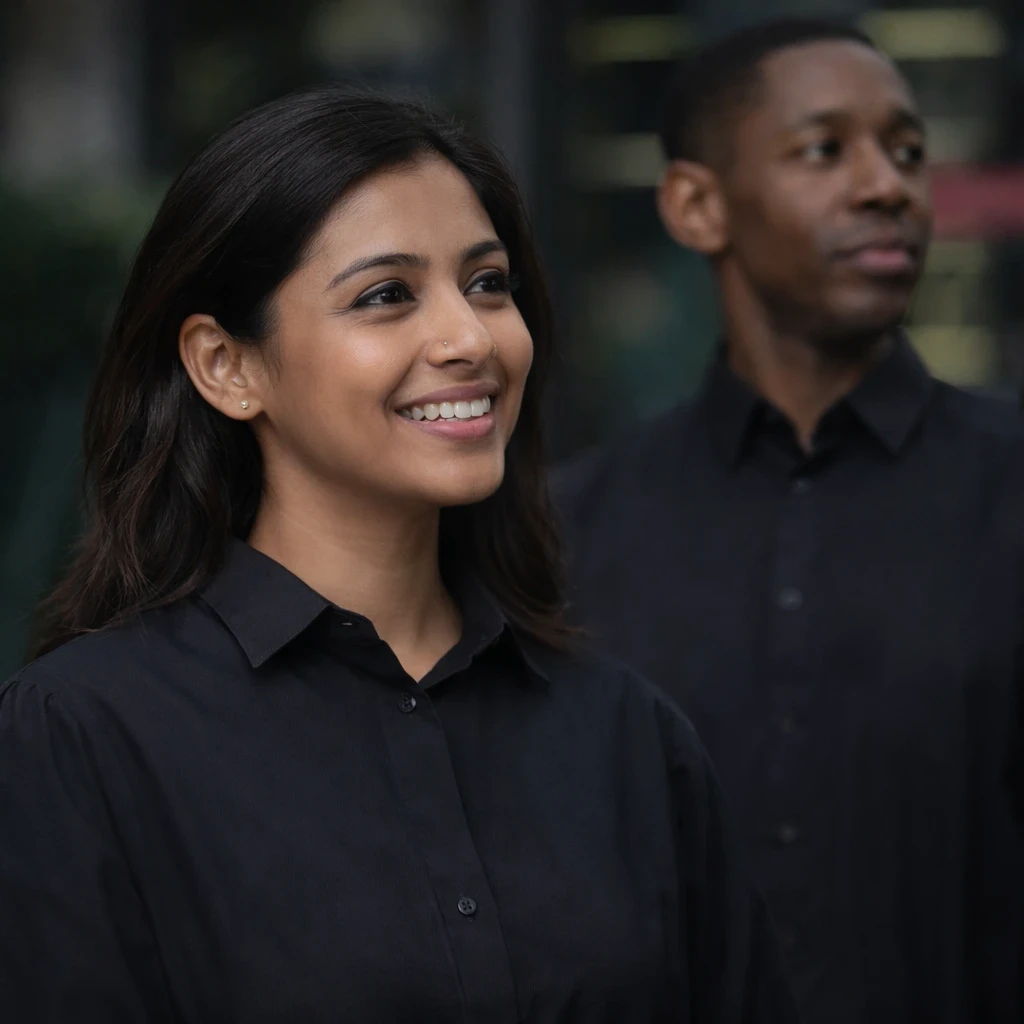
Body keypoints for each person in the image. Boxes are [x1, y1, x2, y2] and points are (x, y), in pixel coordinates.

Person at [0, 88, 799, 1023]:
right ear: (227, 365)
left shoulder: (626, 737)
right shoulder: (81, 741)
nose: (468, 338)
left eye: (488, 283)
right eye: (386, 296)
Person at [554, 19, 1024, 1024]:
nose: (883, 186)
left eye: (905, 151)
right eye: (823, 150)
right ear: (695, 204)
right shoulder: (571, 531)